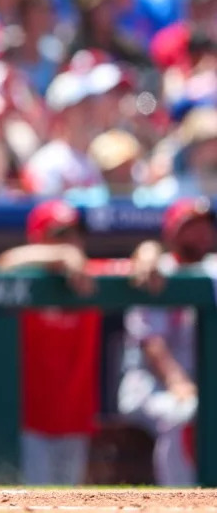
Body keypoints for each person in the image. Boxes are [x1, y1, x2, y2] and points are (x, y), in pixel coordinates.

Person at [0, 200, 101, 486]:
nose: (71, 242)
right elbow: (4, 264)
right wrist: (61, 255)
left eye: (74, 234)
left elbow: (140, 264)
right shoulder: (24, 274)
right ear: (38, 238)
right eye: (60, 234)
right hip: (29, 419)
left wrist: (148, 252)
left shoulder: (92, 274)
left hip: (76, 417)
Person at [121, 196, 206, 486]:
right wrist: (177, 381)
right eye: (190, 226)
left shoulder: (212, 271)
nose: (200, 234)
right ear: (172, 231)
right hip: (149, 384)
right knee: (180, 414)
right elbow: (151, 343)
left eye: (205, 226)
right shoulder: (155, 272)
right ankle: (179, 501)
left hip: (196, 387)